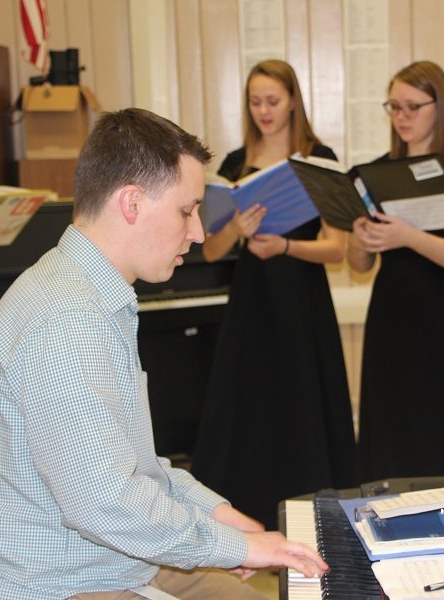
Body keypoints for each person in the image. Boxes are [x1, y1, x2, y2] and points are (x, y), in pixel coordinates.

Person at [0, 108, 328, 599]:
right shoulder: (66, 318)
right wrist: (236, 548)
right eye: (187, 211)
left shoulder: (91, 291)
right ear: (132, 203)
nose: (199, 233)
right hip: (49, 582)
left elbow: (135, 466)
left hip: (108, 557)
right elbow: (107, 502)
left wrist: (220, 516)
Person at [190, 60, 356, 530]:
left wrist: (285, 245)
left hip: (301, 302)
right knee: (250, 406)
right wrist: (238, 231)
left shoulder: (317, 157)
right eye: (255, 102)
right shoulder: (234, 165)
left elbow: (337, 249)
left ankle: (311, 521)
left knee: (303, 404)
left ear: (293, 101)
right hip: (252, 302)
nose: (263, 111)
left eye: (273, 101)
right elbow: (210, 249)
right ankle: (247, 522)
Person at [349, 60, 444, 482]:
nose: (402, 117)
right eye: (394, 107)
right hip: (393, 314)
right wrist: (360, 238)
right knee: (394, 429)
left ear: (440, 105)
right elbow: (359, 264)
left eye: (412, 107)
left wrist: (409, 236)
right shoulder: (375, 172)